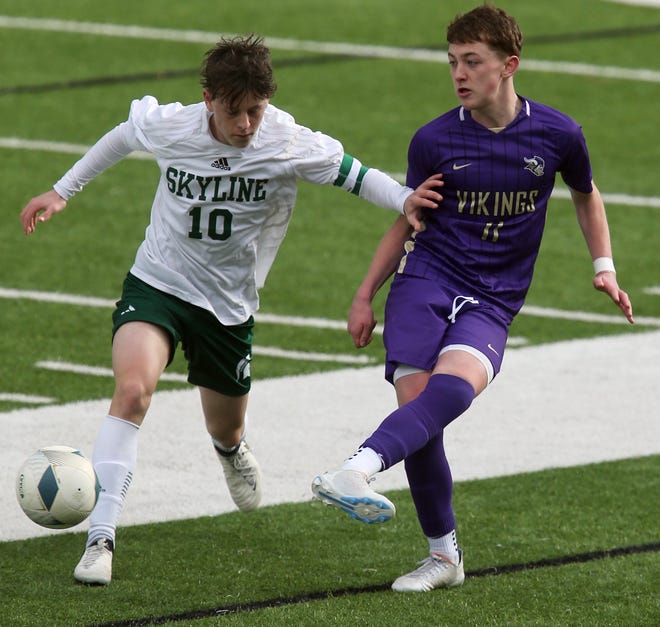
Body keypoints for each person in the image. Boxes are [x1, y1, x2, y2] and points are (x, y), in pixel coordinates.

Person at [20, 34, 441, 585]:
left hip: (227, 305)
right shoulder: (174, 125)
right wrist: (62, 190)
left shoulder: (284, 139)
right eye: (235, 111)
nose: (246, 124)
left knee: (226, 423)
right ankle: (101, 539)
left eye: (256, 111)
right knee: (133, 391)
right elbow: (123, 137)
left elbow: (354, 174)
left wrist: (404, 199)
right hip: (158, 283)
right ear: (207, 100)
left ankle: (230, 449)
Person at [311, 4, 634, 593]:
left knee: (451, 393)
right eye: (453, 61)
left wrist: (604, 267)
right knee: (421, 417)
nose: (459, 73)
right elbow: (410, 219)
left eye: (472, 61)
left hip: (494, 298)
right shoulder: (433, 140)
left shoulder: (558, 134)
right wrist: (365, 294)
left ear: (508, 66)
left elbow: (586, 195)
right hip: (425, 281)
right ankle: (443, 557)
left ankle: (354, 469)